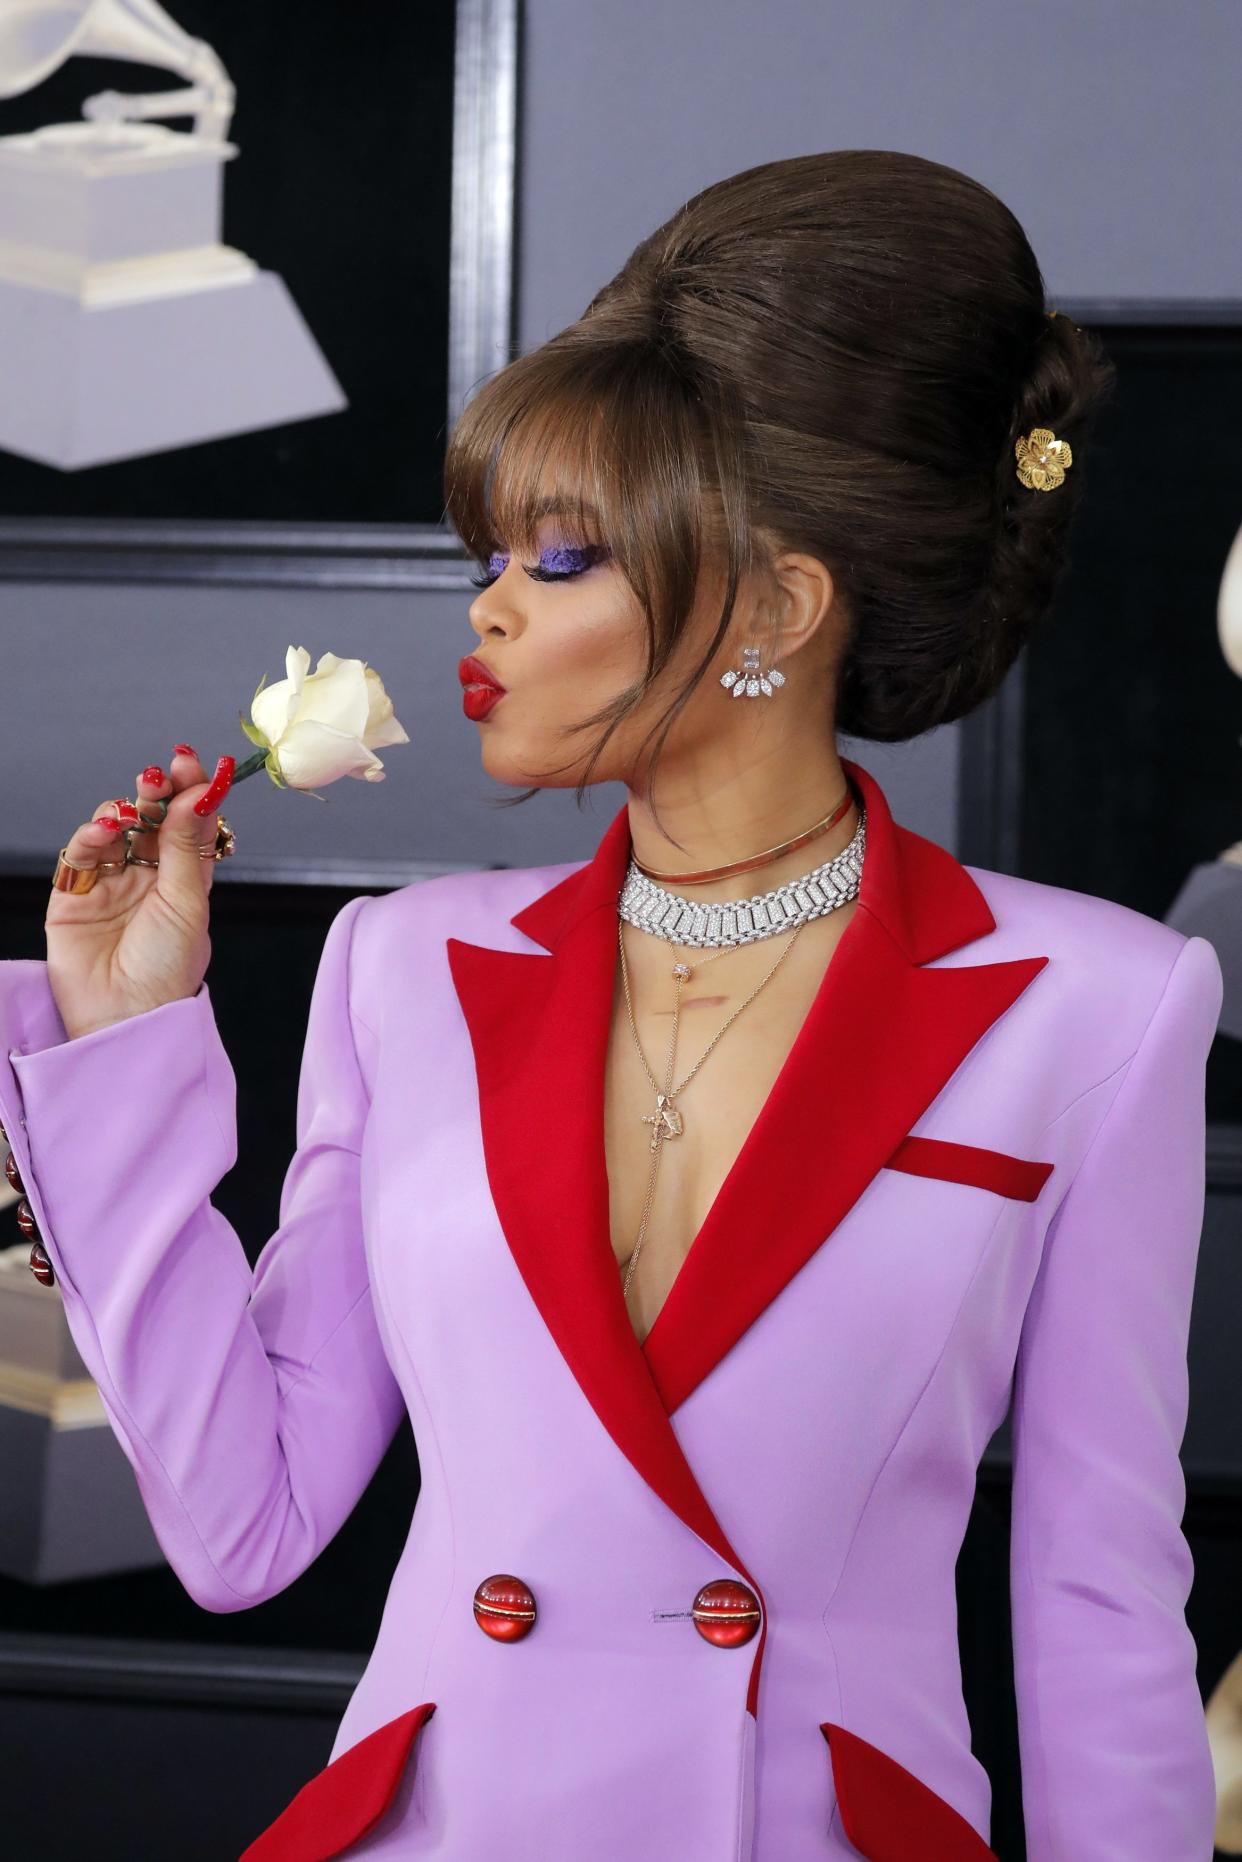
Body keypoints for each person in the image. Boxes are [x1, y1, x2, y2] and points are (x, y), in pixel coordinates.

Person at [0, 149, 1224, 1861]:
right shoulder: (407, 964)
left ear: (781, 610)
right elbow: (244, 1523)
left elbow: (1096, 1600)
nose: (489, 605)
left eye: (562, 555)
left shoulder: (1096, 1006)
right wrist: (124, 1033)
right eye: (491, 548)